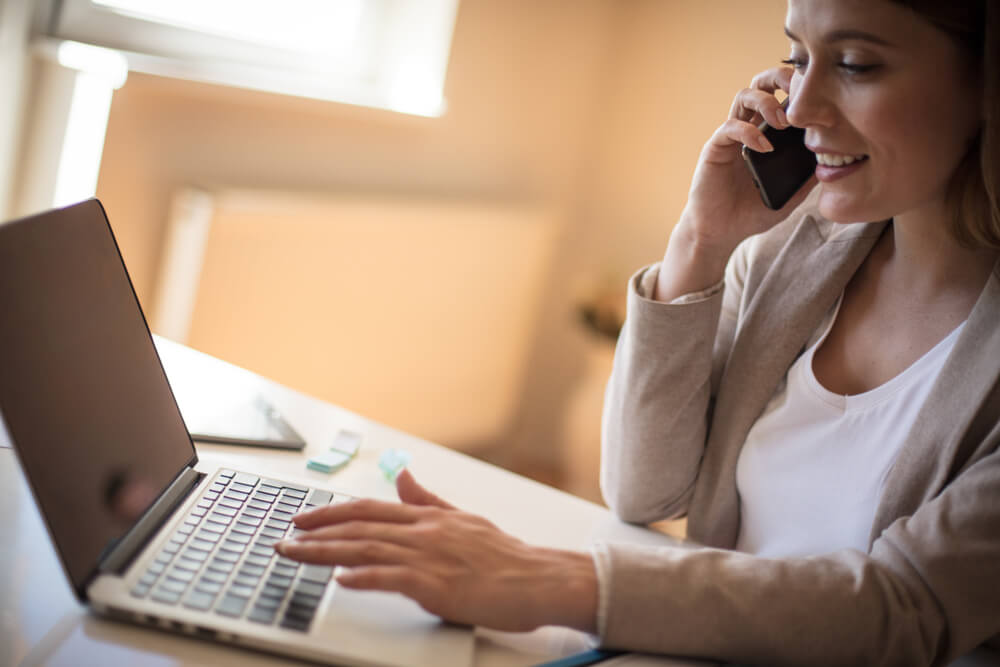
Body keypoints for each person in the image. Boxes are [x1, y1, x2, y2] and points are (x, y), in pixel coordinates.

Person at [276, 0, 1000, 663]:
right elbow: (642, 491)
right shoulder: (796, 252)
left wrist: (563, 579)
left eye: (855, 64)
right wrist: (700, 242)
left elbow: (904, 610)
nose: (803, 106)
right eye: (799, 57)